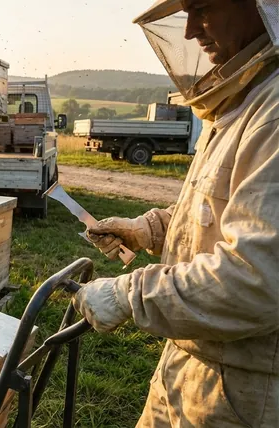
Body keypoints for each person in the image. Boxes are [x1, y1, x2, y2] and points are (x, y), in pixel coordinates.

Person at [73, 0, 279, 426]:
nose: (190, 31)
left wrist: (127, 294)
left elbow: (257, 279)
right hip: (192, 368)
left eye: (202, 7)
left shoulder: (273, 112)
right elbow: (216, 208)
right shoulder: (248, 100)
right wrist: (147, 229)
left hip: (246, 394)